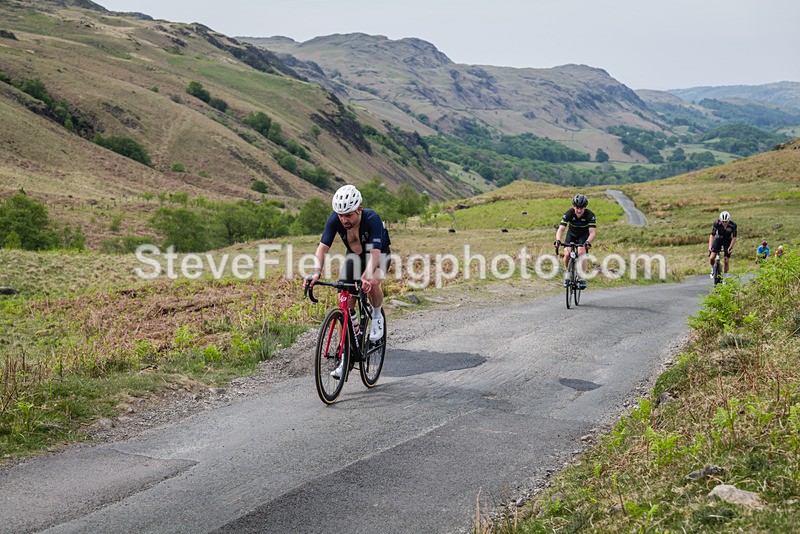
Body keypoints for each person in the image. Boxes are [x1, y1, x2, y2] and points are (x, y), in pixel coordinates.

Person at [305, 184, 391, 378]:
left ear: (359, 210)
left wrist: (368, 275)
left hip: (379, 257)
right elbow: (322, 248)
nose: (344, 220)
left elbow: (376, 254)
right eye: (341, 215)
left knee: (373, 282)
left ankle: (377, 317)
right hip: (354, 257)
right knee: (344, 301)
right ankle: (345, 356)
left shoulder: (372, 218)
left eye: (349, 215)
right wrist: (316, 272)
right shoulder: (335, 219)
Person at [554, 194, 596, 289]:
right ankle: (568, 274)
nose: (579, 210)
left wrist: (588, 242)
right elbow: (561, 229)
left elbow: (592, 232)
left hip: (583, 235)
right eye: (577, 207)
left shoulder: (590, 215)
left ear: (585, 207)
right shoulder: (569, 213)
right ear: (573, 206)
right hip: (571, 234)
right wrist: (558, 240)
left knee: (581, 252)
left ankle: (582, 278)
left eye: (581, 208)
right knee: (567, 254)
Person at [708, 210, 737, 277]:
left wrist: (731, 246)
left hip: (727, 241)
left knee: (726, 261)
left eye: (726, 221)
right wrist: (710, 246)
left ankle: (726, 277)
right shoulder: (717, 223)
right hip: (719, 239)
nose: (724, 223)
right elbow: (712, 235)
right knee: (712, 257)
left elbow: (734, 237)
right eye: (723, 221)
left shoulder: (733, 225)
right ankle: (713, 269)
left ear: (728, 220)